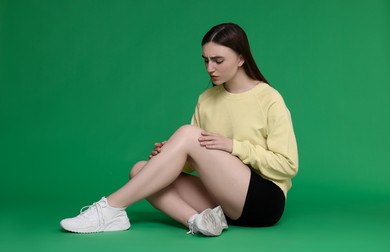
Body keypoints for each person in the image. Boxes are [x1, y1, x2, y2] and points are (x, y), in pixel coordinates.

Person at [60, 23, 298, 236]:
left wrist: (233, 146)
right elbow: (200, 157)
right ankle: (198, 221)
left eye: (218, 60)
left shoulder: (269, 98)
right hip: (224, 204)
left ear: (240, 58)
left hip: (264, 202)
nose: (210, 68)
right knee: (141, 170)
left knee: (186, 134)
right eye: (205, 60)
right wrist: (170, 153)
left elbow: (288, 165)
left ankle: (110, 208)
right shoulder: (207, 99)